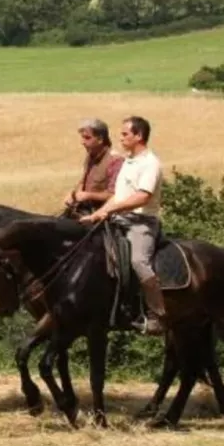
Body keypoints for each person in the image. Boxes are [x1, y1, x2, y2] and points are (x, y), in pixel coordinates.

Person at [80, 115, 165, 335]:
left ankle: (157, 316)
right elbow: (118, 196)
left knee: (138, 261)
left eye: (125, 134)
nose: (120, 138)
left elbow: (142, 197)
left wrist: (110, 210)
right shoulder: (128, 161)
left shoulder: (151, 163)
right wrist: (97, 214)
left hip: (141, 223)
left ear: (139, 136)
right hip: (119, 219)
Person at [65, 118, 121, 216]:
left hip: (101, 215)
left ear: (100, 139)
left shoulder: (115, 161)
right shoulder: (91, 155)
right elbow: (83, 182)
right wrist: (73, 194)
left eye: (87, 138)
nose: (82, 142)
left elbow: (114, 195)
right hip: (83, 210)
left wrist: (88, 195)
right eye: (82, 137)